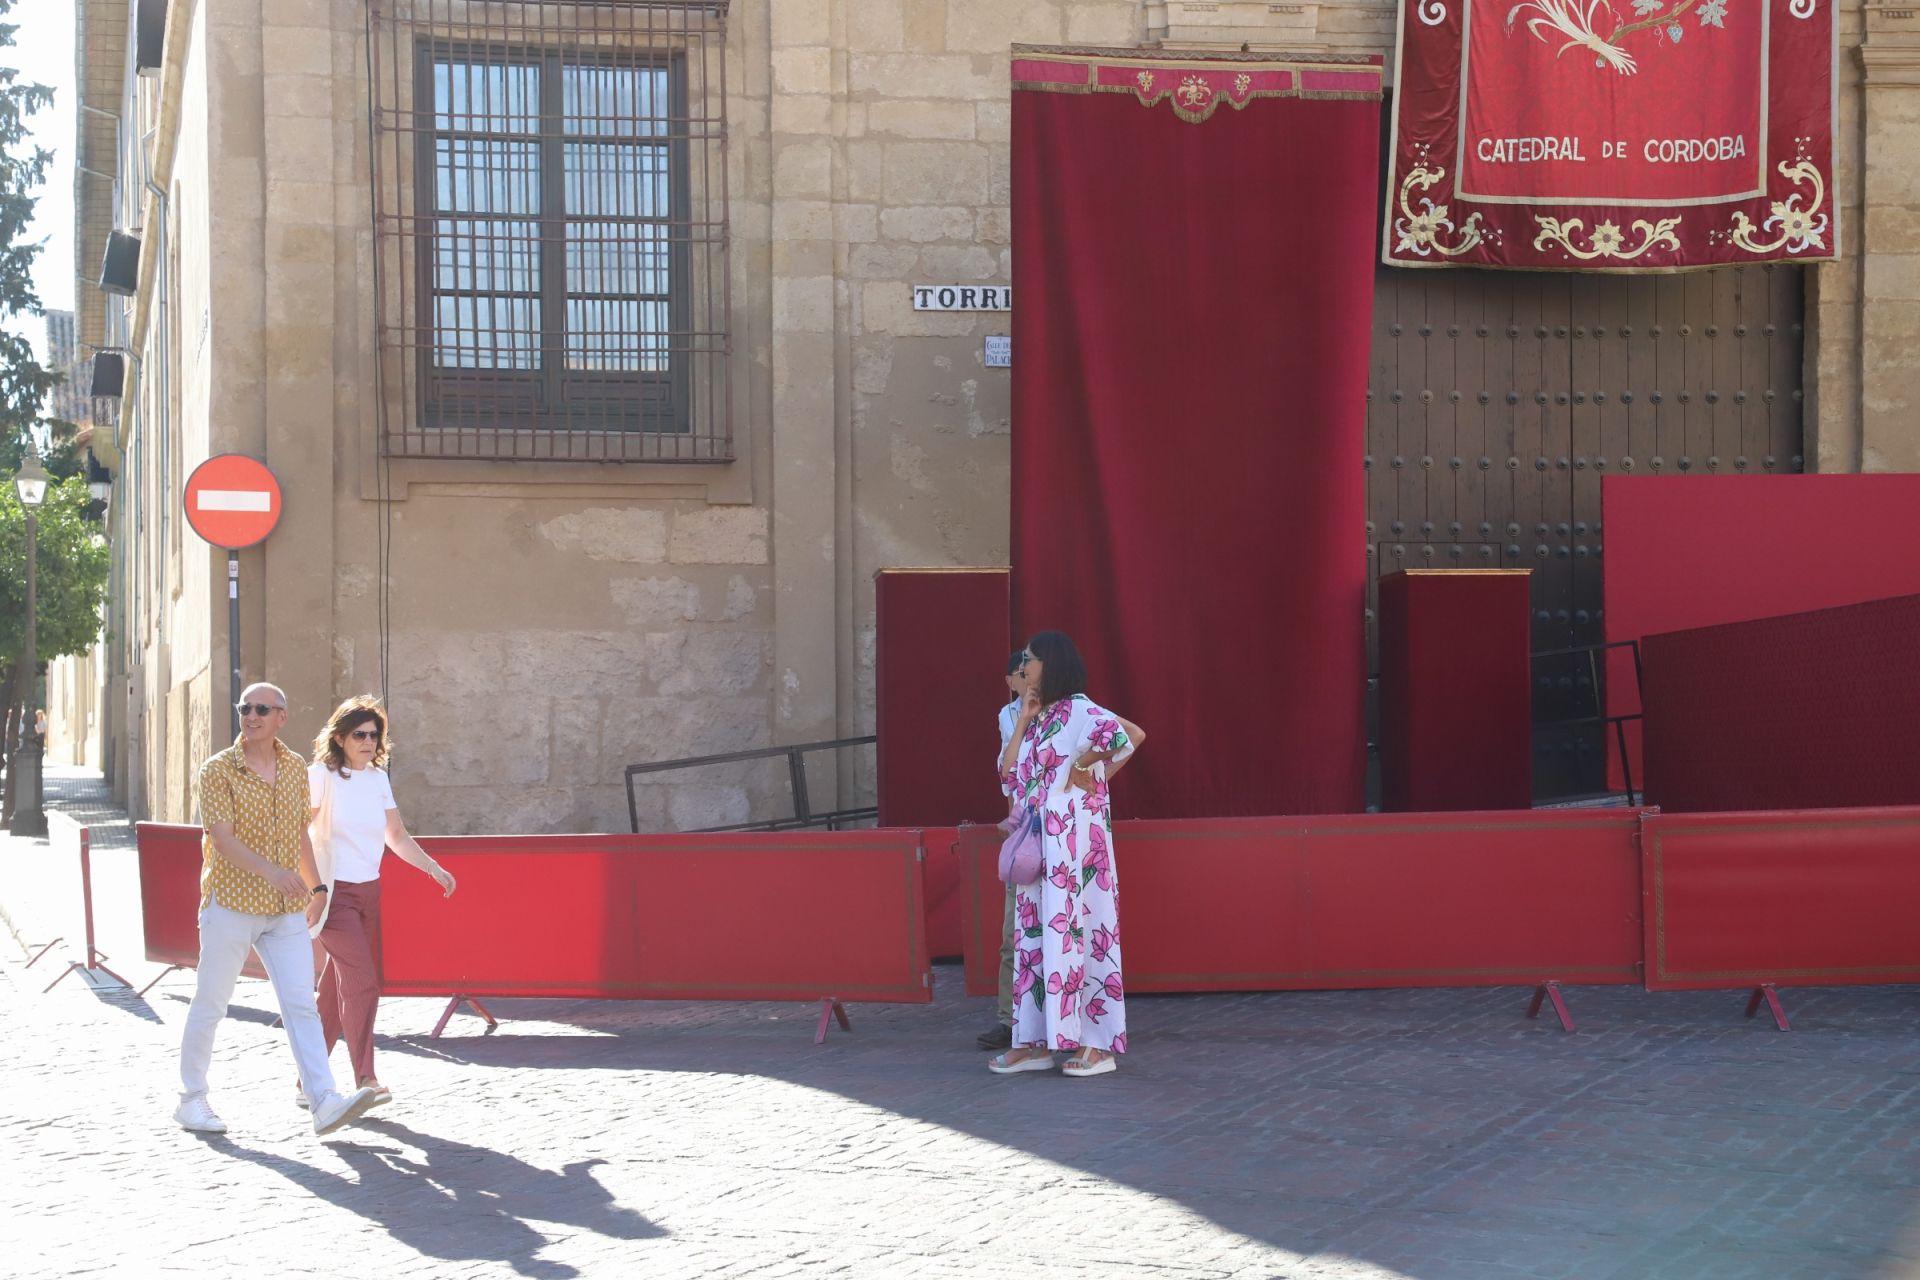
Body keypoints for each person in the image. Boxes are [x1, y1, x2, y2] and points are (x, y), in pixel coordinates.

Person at [175, 682, 381, 1137]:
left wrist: (318, 886)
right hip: (230, 904)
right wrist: (272, 872)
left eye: (262, 708)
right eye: (245, 707)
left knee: (299, 1006)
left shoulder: (292, 769)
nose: (251, 715)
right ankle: (191, 1100)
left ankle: (323, 1100)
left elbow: (299, 834)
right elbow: (222, 839)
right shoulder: (217, 770)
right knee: (211, 1003)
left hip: (285, 909)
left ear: (281, 717)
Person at [988, 631, 1145, 1078]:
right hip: (1041, 847)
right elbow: (1008, 773)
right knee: (1035, 942)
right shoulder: (1037, 717)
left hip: (1078, 848)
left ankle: (1098, 1045)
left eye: (1031, 660)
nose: (1024, 667)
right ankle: (1035, 1041)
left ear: (1051, 663)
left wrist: (1087, 770)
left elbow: (1128, 736)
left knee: (1086, 933)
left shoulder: (1079, 708)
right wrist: (1023, 722)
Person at [305, 695, 457, 1110]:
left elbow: (396, 836)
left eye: (375, 735)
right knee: (362, 982)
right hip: (333, 894)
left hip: (369, 893)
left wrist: (432, 868)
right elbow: (296, 833)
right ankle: (366, 1078)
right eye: (360, 735)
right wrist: (309, 887)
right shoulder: (320, 777)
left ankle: (307, 1079)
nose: (369, 741)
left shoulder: (376, 779)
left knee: (337, 989)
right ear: (339, 737)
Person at [977, 650, 1033, 1052]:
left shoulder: (1070, 710)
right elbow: (1009, 776)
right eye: (1021, 673)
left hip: (1059, 829)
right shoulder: (1009, 716)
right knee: (1012, 934)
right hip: (1026, 828)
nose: (1028, 678)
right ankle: (1008, 1019)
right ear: (1011, 679)